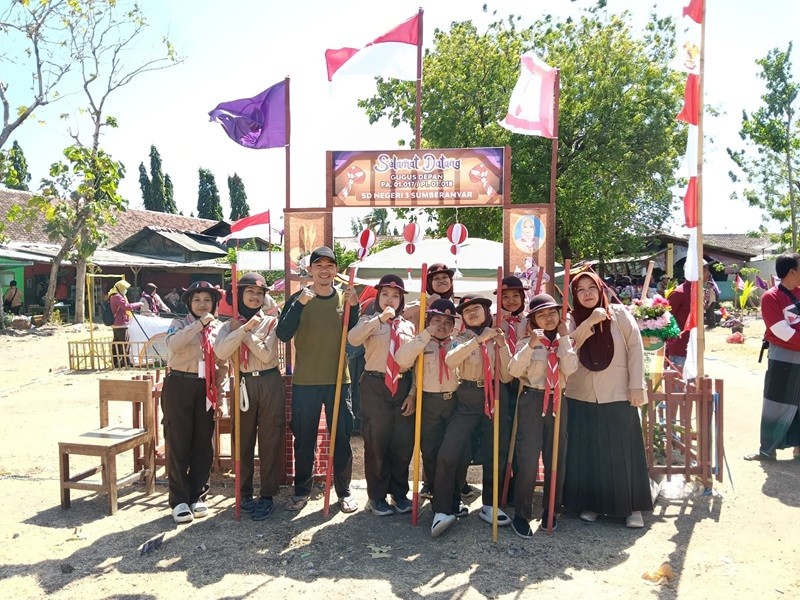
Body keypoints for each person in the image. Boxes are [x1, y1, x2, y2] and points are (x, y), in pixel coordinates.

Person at [563, 271, 652, 529]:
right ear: (574, 295)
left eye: (592, 287)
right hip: (581, 394)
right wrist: (590, 322)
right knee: (589, 451)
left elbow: (635, 348)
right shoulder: (571, 319)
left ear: (601, 289)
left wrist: (636, 385)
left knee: (624, 450)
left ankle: (632, 508)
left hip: (618, 392)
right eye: (581, 290)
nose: (587, 293)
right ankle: (592, 504)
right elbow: (568, 347)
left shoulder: (619, 314)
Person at [276, 246, 360, 513]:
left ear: (336, 270)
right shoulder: (298, 298)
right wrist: (300, 304)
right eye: (319, 266)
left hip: (339, 380)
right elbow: (283, 334)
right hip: (306, 382)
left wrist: (356, 307)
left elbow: (354, 335)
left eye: (329, 266)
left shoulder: (346, 297)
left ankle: (344, 492)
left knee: (342, 438)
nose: (324, 270)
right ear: (310, 270)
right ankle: (302, 491)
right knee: (304, 439)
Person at [430, 294, 512, 538]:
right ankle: (442, 508)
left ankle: (490, 504)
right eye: (467, 311)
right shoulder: (461, 339)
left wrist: (502, 345)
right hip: (468, 397)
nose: (472, 313)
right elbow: (451, 360)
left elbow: (507, 376)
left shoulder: (498, 337)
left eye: (477, 308)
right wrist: (478, 341)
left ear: (487, 312)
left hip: (495, 395)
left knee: (495, 450)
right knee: (450, 450)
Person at [214, 272, 285, 520]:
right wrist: (240, 329)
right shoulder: (228, 325)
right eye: (250, 292)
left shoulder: (271, 322)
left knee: (269, 438)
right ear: (239, 295)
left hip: (268, 381)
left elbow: (266, 355)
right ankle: (243, 492)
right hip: (243, 382)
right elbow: (222, 352)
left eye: (259, 293)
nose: (255, 297)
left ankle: (267, 495)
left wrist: (245, 332)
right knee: (242, 439)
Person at [507, 294, 578, 537]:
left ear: (560, 317)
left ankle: (551, 509)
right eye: (541, 314)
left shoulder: (565, 342)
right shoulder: (526, 342)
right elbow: (514, 370)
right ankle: (521, 513)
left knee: (555, 455)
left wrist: (565, 338)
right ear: (533, 320)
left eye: (552, 313)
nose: (548, 318)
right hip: (532, 399)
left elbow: (570, 369)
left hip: (558, 398)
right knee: (527, 458)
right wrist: (532, 344)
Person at [347, 274, 416, 516]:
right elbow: (353, 338)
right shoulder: (369, 320)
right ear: (378, 297)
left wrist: (413, 393)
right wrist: (379, 318)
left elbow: (416, 363)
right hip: (375, 385)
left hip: (403, 385)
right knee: (376, 440)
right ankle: (376, 496)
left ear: (401, 300)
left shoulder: (408, 327)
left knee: (402, 442)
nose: (390, 299)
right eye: (385, 294)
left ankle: (399, 493)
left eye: (395, 295)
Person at [162, 281, 227, 523]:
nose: (202, 304)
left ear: (214, 304)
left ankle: (197, 495)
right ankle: (179, 500)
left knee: (203, 443)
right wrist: (199, 325)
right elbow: (173, 344)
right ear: (189, 303)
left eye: (207, 300)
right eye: (197, 300)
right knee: (178, 442)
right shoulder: (179, 324)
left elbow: (222, 366)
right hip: (179, 384)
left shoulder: (219, 329)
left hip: (206, 388)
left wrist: (220, 397)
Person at [395, 299, 460, 503]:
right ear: (428, 321)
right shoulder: (421, 343)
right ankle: (432, 487)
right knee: (430, 449)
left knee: (453, 450)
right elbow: (403, 361)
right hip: (429, 402)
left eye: (448, 322)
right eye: (437, 320)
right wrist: (413, 395)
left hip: (454, 402)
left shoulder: (459, 344)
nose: (442, 326)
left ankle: (453, 492)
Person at [744, 253, 800, 461]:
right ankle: (767, 450)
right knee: (776, 403)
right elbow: (781, 331)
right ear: (792, 271)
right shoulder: (771, 297)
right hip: (783, 357)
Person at [108, 280, 143, 368]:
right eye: (125, 288)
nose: (126, 290)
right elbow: (126, 306)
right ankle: (124, 361)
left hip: (117, 323)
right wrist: (138, 304)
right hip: (121, 323)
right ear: (120, 288)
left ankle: (118, 361)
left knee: (118, 343)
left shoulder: (113, 295)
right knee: (124, 343)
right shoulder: (117, 297)